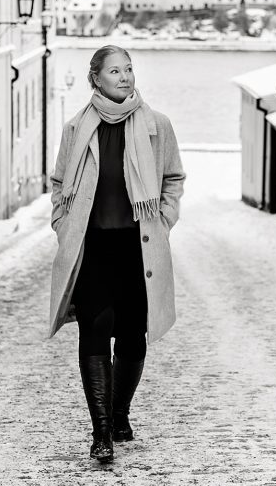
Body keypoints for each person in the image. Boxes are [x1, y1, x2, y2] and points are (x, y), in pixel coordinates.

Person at [47, 45, 186, 463]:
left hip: (137, 248)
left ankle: (121, 413)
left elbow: (173, 179)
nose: (124, 77)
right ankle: (102, 431)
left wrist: (162, 218)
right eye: (114, 71)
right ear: (96, 79)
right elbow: (59, 185)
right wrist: (63, 224)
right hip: (93, 249)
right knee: (93, 331)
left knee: (130, 337)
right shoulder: (77, 129)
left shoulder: (156, 126)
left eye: (128, 69)